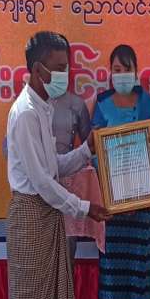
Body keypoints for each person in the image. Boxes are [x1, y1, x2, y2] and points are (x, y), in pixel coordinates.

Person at [5, 31, 109, 299]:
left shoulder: (42, 108)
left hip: (43, 215)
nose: (66, 75)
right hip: (32, 214)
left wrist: (85, 150)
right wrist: (84, 208)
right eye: (60, 68)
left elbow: (54, 168)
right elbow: (43, 183)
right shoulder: (26, 113)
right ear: (38, 69)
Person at [91, 45, 150, 299]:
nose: (121, 74)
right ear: (110, 72)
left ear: (136, 71)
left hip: (144, 204)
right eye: (116, 69)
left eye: (126, 68)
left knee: (141, 277)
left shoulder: (147, 103)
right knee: (114, 277)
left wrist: (138, 194)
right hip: (112, 205)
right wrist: (114, 192)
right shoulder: (101, 104)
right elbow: (94, 150)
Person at [50, 85, 92, 265]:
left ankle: (67, 284)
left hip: (67, 185)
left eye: (63, 71)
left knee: (67, 248)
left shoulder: (77, 104)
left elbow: (90, 146)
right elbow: (9, 148)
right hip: (35, 189)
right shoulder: (26, 106)